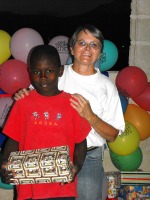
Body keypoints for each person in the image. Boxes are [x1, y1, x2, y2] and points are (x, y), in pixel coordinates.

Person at [14, 24, 125, 200]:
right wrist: (22, 95)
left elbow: (112, 135)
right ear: (72, 48)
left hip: (88, 158)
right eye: (82, 43)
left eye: (94, 44)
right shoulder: (54, 72)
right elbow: (30, 100)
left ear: (100, 52)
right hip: (49, 157)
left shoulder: (107, 87)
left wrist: (89, 115)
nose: (88, 49)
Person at [0, 45, 92, 200]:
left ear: (60, 71)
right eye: (36, 72)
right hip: (28, 188)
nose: (42, 77)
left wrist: (76, 167)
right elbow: (13, 140)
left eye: (49, 71)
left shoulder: (72, 104)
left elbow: (81, 143)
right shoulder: (23, 103)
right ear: (29, 73)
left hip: (62, 188)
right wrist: (3, 165)